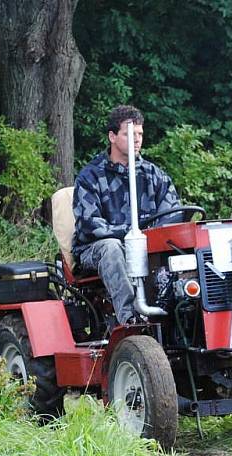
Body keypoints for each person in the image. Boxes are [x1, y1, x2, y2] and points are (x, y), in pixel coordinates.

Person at [73, 105, 183, 325]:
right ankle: (131, 320)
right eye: (129, 134)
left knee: (185, 245)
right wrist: (132, 233)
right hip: (96, 250)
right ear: (112, 136)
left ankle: (183, 314)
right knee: (112, 247)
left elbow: (174, 214)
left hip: (147, 246)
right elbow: (89, 226)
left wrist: (148, 237)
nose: (136, 139)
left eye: (140, 134)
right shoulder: (90, 176)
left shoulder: (153, 175)